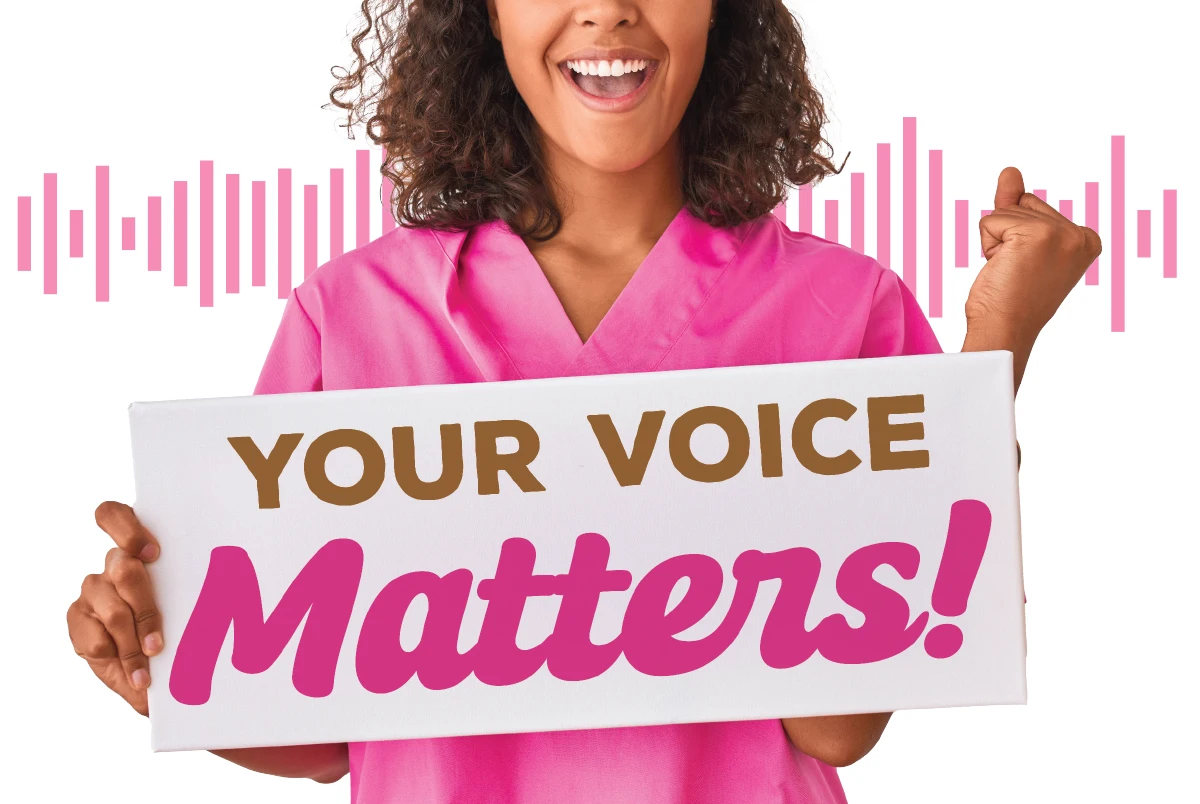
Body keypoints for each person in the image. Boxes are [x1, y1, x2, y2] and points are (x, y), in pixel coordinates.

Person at [65, 1, 1100, 802]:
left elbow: (839, 725)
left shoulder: (839, 304)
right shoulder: (352, 313)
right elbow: (325, 732)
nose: (607, 9)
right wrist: (172, 662)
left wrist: (997, 344)